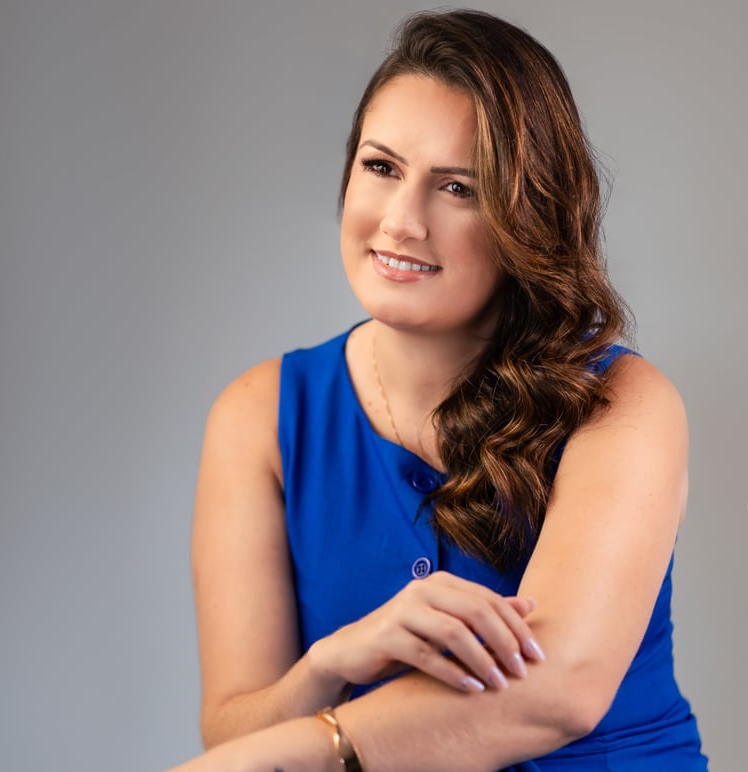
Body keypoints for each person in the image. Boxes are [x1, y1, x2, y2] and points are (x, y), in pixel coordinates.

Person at [168, 9, 707, 771]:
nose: (401, 221)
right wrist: (332, 663)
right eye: (381, 167)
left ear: (528, 215)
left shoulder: (623, 402)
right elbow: (233, 732)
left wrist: (326, 743)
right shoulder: (257, 415)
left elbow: (557, 691)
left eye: (458, 187)